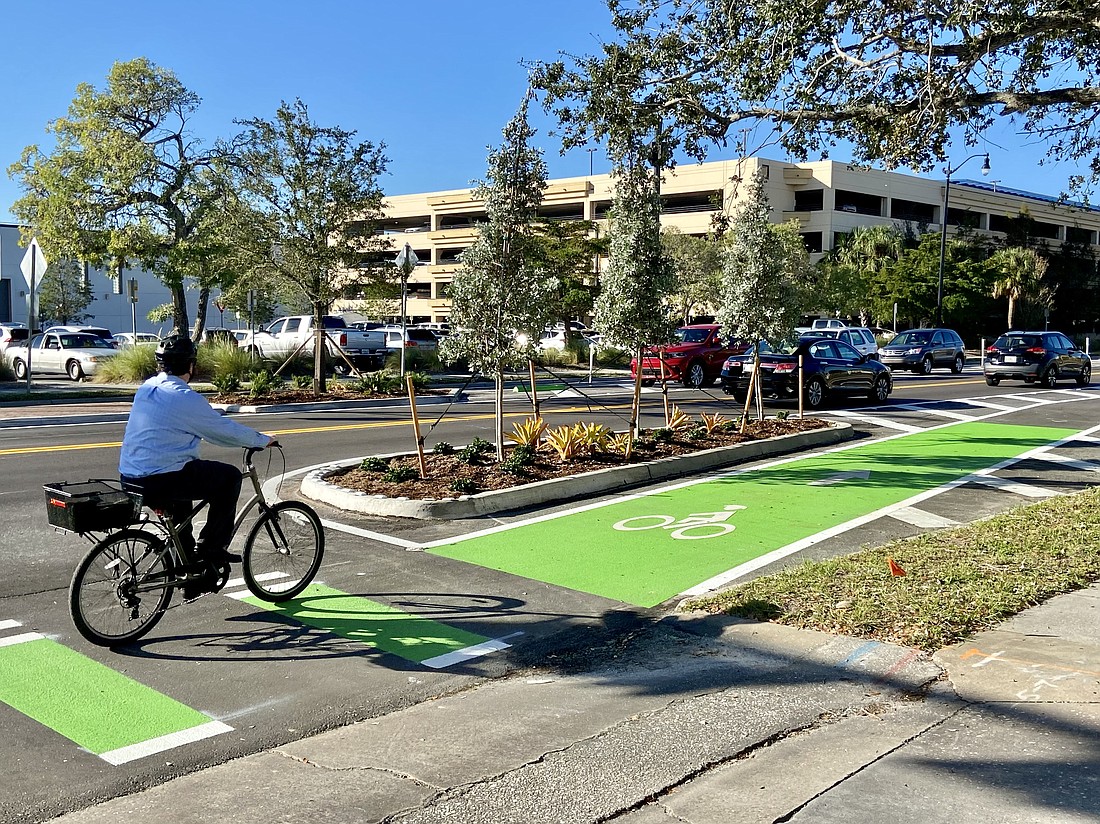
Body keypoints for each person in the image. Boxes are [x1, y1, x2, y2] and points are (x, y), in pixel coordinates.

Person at [119, 334, 274, 598]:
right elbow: (220, 431)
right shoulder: (184, 397)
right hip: (162, 477)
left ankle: (190, 572)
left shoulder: (147, 388)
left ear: (160, 364)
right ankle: (212, 550)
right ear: (191, 365)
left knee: (183, 496)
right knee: (229, 478)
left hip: (131, 476)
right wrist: (261, 440)